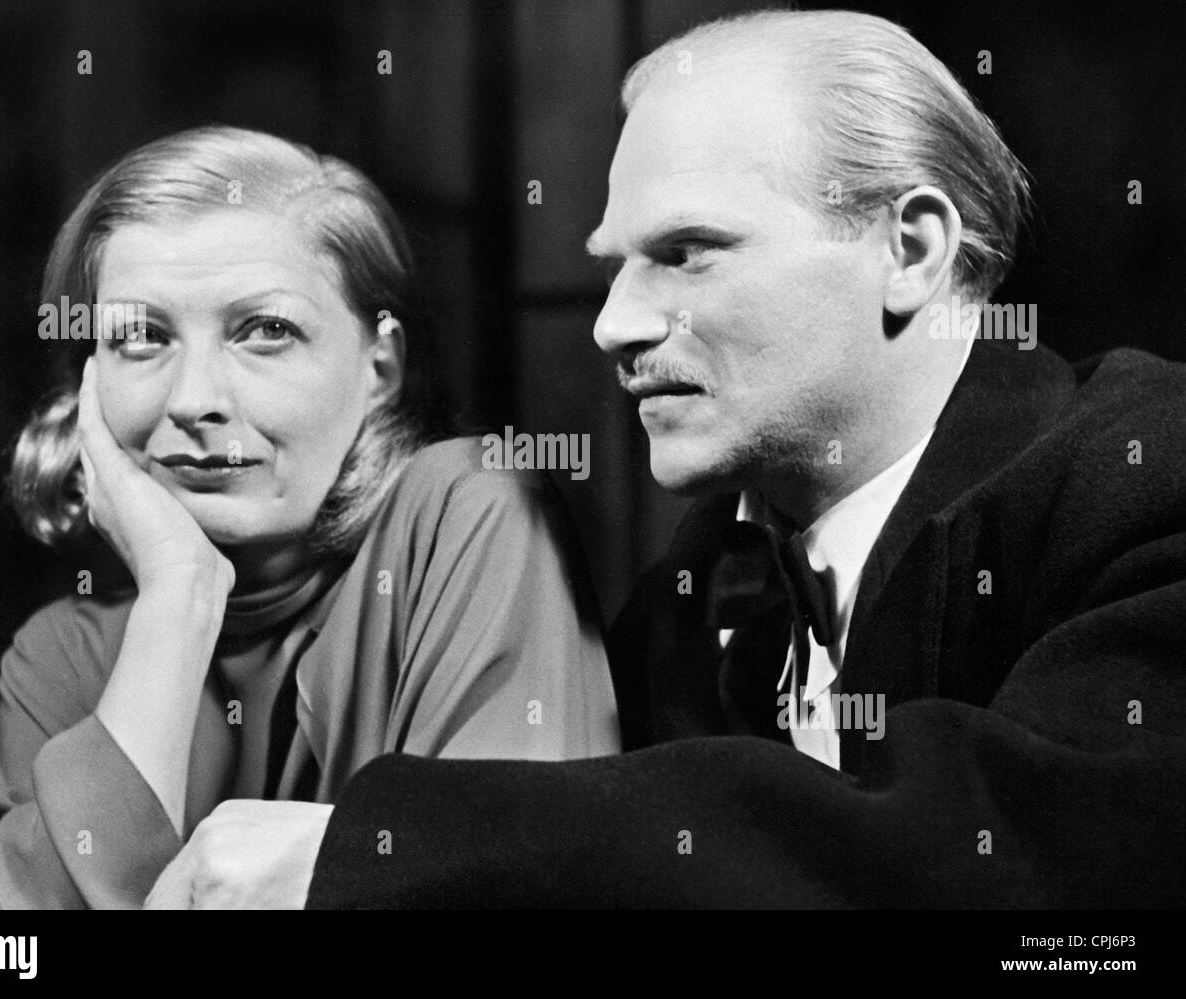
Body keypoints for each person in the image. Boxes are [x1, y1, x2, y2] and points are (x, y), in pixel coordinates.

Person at [276, 8, 1180, 907]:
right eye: (616, 266)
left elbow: (1051, 886)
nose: (612, 325)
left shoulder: (1149, 474)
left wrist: (388, 846)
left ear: (910, 251)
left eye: (687, 253)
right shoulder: (703, 580)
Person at [0, 125, 619, 910]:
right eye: (140, 338)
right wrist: (178, 601)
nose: (193, 401)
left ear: (379, 365)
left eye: (265, 332)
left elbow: (509, 894)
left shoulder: (467, 515)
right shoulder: (67, 654)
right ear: (89, 382)